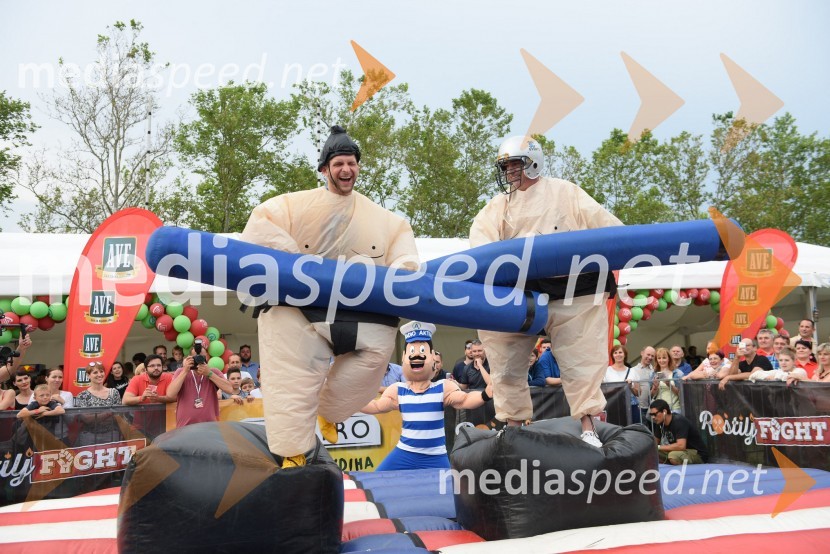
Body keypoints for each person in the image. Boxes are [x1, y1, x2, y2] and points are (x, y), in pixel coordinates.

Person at [240, 125, 419, 468]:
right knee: (289, 376)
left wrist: (403, 272)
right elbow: (260, 226)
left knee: (377, 352)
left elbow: (405, 251)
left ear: (358, 167)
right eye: (338, 164)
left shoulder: (382, 219)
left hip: (357, 309)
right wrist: (295, 265)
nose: (346, 169)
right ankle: (292, 454)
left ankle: (331, 410)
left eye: (351, 163)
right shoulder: (294, 206)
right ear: (324, 169)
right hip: (298, 307)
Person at [470, 135, 623, 447]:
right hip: (519, 292)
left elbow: (609, 228)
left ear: (533, 162)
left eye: (515, 164)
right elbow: (479, 247)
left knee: (582, 359)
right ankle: (513, 426)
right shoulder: (497, 207)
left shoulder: (566, 193)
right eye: (506, 166)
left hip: (572, 286)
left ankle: (589, 425)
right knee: (504, 358)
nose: (510, 171)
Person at [361, 322, 493, 471]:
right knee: (378, 478)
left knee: (447, 485)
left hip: (435, 456)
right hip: (404, 453)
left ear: (432, 357)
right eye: (411, 351)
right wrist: (347, 403)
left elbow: (465, 400)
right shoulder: (398, 390)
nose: (416, 355)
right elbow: (376, 406)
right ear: (404, 357)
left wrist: (485, 395)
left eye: (423, 350)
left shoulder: (442, 387)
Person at [166, 349, 235, 428]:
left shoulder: (213, 372)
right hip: (185, 426)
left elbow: (230, 389)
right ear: (190, 358)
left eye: (202, 356)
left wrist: (209, 374)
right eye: (196, 357)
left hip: (209, 426)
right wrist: (185, 371)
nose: (199, 359)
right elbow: (170, 394)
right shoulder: (181, 371)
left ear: (207, 357)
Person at [74, 362, 122, 444]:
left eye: (101, 371)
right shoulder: (82, 395)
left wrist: (95, 416)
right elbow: (87, 419)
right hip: (89, 437)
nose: (99, 375)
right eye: (95, 372)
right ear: (88, 375)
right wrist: (109, 413)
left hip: (112, 435)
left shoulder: (114, 392)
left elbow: (118, 416)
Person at [649, 399, 708, 465]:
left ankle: (680, 470)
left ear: (664, 412)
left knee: (673, 456)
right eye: (651, 415)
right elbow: (654, 443)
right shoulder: (660, 423)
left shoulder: (679, 421)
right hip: (679, 451)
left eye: (654, 414)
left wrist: (658, 447)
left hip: (696, 453)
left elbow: (681, 446)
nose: (653, 417)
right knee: (651, 453)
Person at [603, 345, 641, 423]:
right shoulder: (606, 371)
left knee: (633, 428)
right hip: (613, 407)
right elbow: (603, 390)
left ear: (625, 354)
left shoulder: (632, 371)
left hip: (631, 407)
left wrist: (630, 387)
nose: (618, 355)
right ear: (612, 355)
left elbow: (638, 393)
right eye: (615, 353)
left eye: (620, 352)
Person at [650, 348, 683, 413]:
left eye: (664, 358)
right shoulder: (653, 373)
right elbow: (650, 396)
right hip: (659, 409)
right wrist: (655, 387)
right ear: (656, 360)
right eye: (659, 358)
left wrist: (669, 384)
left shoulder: (677, 373)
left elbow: (681, 393)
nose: (661, 360)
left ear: (669, 359)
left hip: (674, 408)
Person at [630, 346, 656, 423]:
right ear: (642, 353)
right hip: (639, 408)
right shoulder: (633, 370)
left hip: (652, 408)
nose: (650, 357)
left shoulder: (655, 371)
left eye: (652, 356)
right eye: (648, 354)